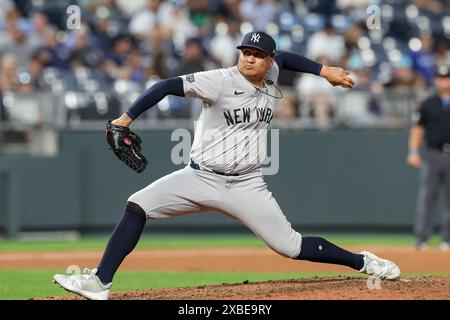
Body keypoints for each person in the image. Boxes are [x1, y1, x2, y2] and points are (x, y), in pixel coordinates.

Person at [53, 31, 401, 300]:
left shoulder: (272, 74)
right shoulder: (219, 80)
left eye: (258, 55)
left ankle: (362, 261)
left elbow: (290, 59)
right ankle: (100, 281)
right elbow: (163, 86)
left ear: (269, 61)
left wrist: (324, 71)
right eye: (245, 53)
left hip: (247, 184)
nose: (249, 59)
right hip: (198, 177)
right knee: (138, 204)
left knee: (290, 247)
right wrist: (125, 119)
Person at [407, 64, 450, 251]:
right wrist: (413, 152)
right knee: (427, 198)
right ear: (435, 80)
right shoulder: (428, 103)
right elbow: (418, 129)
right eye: (440, 77)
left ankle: (447, 239)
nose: (444, 81)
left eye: (447, 77)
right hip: (432, 153)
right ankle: (421, 238)